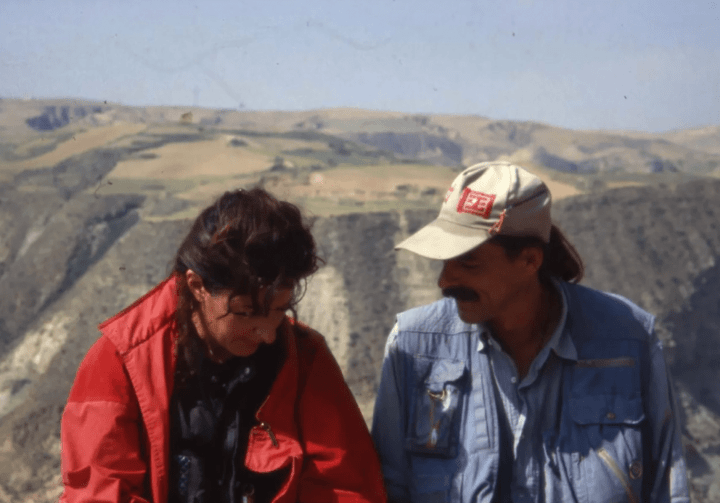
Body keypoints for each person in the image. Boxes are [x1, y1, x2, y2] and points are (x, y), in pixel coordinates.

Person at [371, 161, 689, 502]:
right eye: (444, 262)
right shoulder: (414, 346)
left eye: (469, 264)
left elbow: (666, 486)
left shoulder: (629, 339)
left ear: (529, 261)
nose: (445, 281)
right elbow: (388, 486)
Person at [61, 187, 387, 503]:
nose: (269, 334)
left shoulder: (305, 358)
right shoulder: (121, 362)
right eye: (247, 313)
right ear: (197, 286)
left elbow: (346, 486)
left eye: (279, 312)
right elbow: (98, 493)